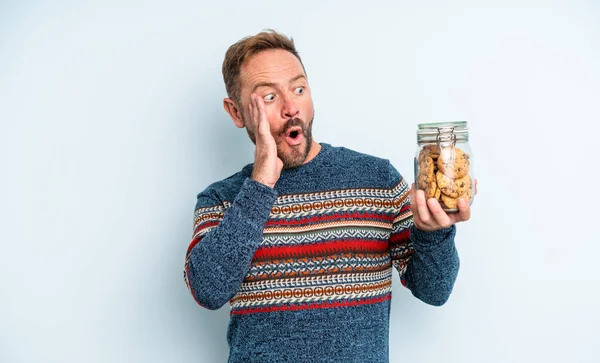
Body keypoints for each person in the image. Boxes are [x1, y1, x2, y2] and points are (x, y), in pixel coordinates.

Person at [183, 29, 473, 362]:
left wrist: (434, 233)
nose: (292, 107)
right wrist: (261, 184)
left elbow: (434, 290)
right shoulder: (221, 199)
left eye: (299, 89)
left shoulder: (377, 180)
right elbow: (208, 290)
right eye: (269, 97)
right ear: (236, 112)